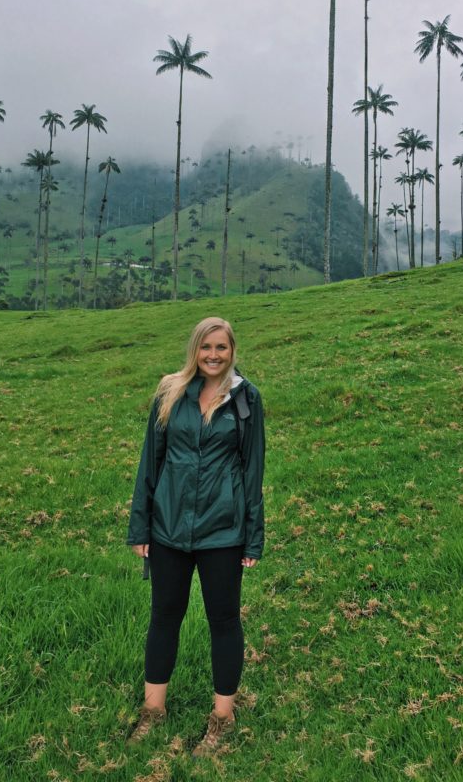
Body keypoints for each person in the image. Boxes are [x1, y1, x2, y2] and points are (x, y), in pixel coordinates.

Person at [126, 316, 266, 757]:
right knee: (164, 615)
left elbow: (252, 470)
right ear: (194, 349)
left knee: (223, 620)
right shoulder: (170, 393)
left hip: (222, 530)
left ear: (232, 351)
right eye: (206, 347)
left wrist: (252, 537)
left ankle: (222, 717)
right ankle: (153, 711)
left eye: (221, 348)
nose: (212, 356)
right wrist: (141, 525)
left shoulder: (246, 399)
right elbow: (151, 462)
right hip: (168, 526)